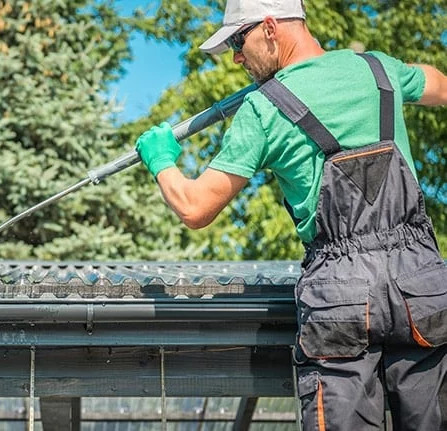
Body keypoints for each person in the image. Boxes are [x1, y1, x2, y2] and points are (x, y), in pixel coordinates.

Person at [134, 0, 447, 429]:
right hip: (420, 281)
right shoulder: (378, 69)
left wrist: (161, 161)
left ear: (269, 27)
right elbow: (439, 85)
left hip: (342, 293)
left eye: (238, 42)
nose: (237, 58)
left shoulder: (263, 110)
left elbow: (194, 207)